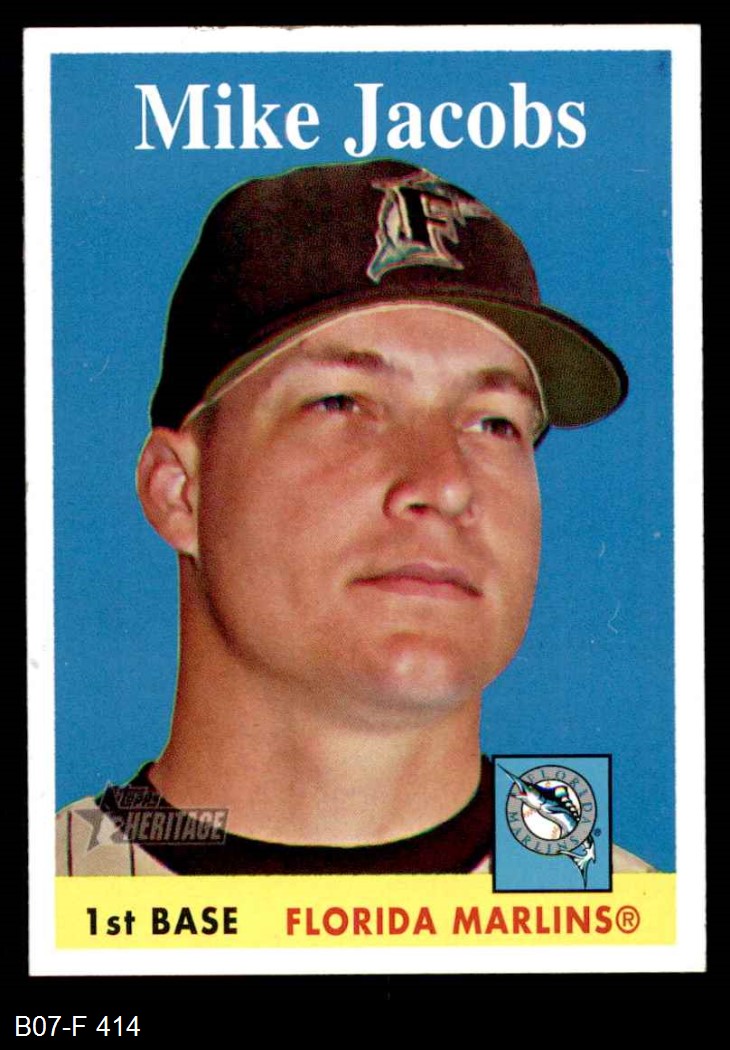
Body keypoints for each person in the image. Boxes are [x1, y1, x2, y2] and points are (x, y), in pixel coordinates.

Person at [56, 159, 652, 876]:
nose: (444, 485)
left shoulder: (629, 913)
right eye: (340, 403)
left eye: (493, 422)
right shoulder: (51, 898)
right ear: (180, 491)